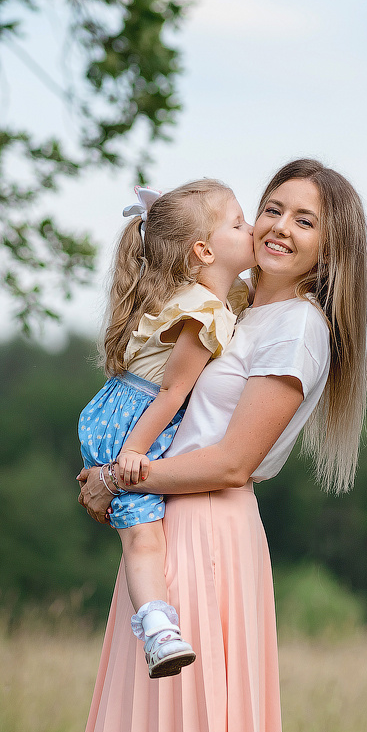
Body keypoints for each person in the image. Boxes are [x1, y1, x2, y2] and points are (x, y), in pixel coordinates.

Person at [71, 159, 367, 732]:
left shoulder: (295, 327)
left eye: (305, 220)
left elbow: (233, 462)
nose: (279, 228)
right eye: (271, 209)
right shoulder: (230, 309)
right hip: (162, 521)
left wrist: (116, 476)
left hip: (208, 529)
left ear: (331, 247)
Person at [78, 179, 256, 678]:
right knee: (143, 537)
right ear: (203, 250)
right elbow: (172, 394)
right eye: (239, 224)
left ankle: (157, 621)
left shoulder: (212, 298)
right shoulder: (201, 311)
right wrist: (131, 456)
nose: (253, 229)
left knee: (142, 531)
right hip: (135, 421)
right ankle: (157, 627)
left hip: (128, 411)